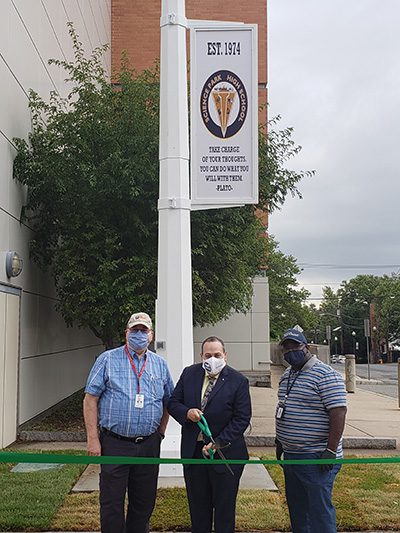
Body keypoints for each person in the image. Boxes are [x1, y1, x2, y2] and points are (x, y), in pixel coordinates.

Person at [83, 312, 174, 533]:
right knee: (112, 503)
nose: (139, 334)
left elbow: (169, 401)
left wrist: (160, 433)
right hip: (115, 444)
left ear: (151, 335)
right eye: (135, 330)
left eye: (144, 331)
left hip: (148, 445)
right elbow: (90, 399)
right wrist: (93, 439)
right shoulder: (107, 359)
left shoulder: (160, 365)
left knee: (143, 503)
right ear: (126, 333)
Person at [167, 336, 251, 533]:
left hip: (225, 455)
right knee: (198, 510)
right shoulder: (189, 374)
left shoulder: (239, 381)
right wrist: (186, 413)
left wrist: (218, 443)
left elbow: (242, 418)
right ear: (201, 356)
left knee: (224, 511)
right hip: (194, 453)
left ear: (225, 355)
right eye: (208, 355)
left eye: (217, 355)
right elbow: (173, 402)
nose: (212, 359)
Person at [275, 328, 347, 533]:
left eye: (295, 346)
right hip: (292, 456)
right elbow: (284, 407)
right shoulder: (288, 374)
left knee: (318, 511)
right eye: (286, 348)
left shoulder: (326, 374)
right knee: (298, 510)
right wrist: (280, 442)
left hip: (317, 457)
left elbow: (338, 412)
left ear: (306, 347)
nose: (290, 351)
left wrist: (331, 450)